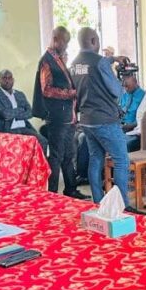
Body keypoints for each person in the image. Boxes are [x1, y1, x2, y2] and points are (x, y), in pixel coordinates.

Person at [71, 27, 135, 209]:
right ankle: (122, 205)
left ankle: (98, 202)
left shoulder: (75, 64)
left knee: (95, 159)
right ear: (93, 41)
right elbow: (116, 91)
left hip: (87, 120)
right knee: (122, 160)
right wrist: (120, 82)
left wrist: (112, 59)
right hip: (106, 119)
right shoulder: (100, 63)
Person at [33, 26, 87, 200]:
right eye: (65, 42)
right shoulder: (47, 60)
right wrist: (70, 93)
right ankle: (53, 193)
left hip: (68, 117)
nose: (66, 46)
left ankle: (70, 189)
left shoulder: (59, 59)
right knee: (56, 155)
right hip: (57, 117)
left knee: (69, 154)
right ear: (56, 39)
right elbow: (46, 89)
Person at [0, 69, 48, 151]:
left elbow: (30, 112)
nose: (7, 81)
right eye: (4, 78)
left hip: (24, 127)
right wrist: (21, 109)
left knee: (42, 141)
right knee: (19, 146)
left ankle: (37, 164)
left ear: (13, 79)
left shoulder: (20, 94)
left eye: (10, 78)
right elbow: (5, 114)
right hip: (7, 130)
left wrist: (14, 114)